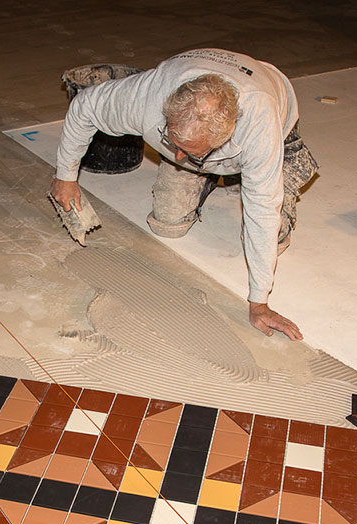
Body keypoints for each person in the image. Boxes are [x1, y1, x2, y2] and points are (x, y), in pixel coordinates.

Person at [50, 49, 318, 341]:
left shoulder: (259, 126)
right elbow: (84, 107)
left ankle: (258, 167)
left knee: (271, 238)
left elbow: (262, 210)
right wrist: (65, 175)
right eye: (172, 141)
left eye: (189, 152)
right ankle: (205, 168)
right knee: (168, 223)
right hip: (198, 130)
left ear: (222, 140)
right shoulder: (147, 96)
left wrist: (259, 302)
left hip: (276, 125)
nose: (177, 157)